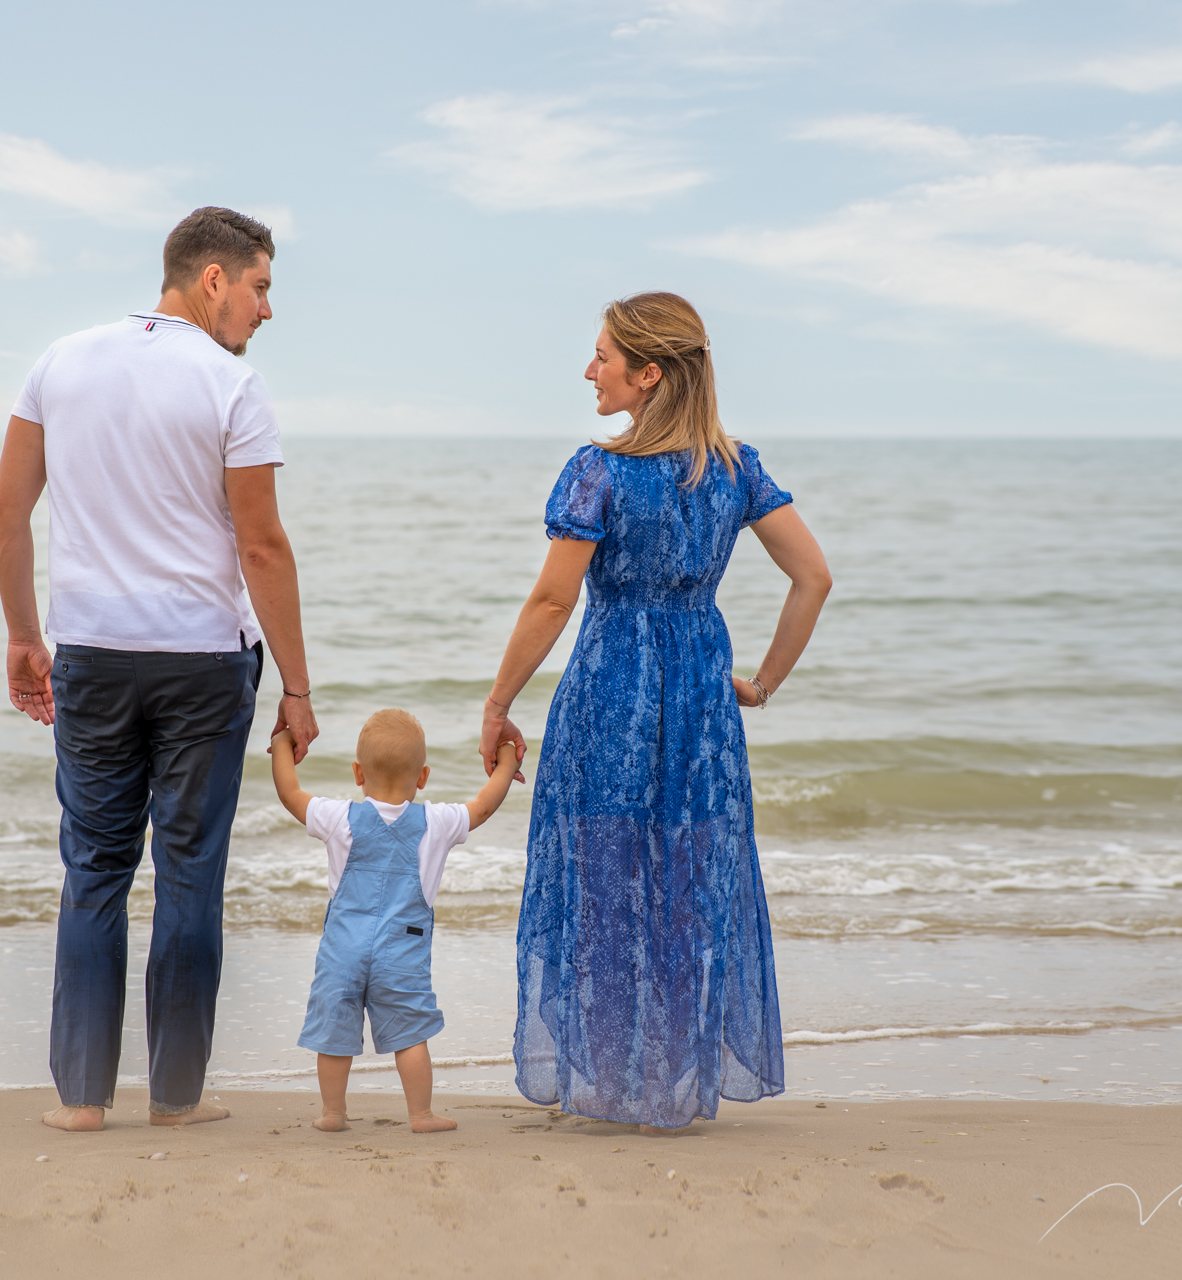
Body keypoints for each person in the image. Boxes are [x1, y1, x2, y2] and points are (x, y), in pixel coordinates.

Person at [0, 206, 320, 1133]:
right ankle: (175, 1097)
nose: (264, 311)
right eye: (259, 288)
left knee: (94, 867)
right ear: (212, 280)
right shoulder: (232, 385)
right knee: (187, 873)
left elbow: (7, 509)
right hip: (205, 664)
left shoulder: (60, 360)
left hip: (92, 654)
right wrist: (295, 686)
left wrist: (25, 636)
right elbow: (262, 545)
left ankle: (82, 1101)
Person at [479, 292, 831, 1134]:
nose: (589, 370)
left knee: (604, 881)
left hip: (610, 692)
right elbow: (813, 577)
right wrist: (764, 682)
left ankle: (608, 1084)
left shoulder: (600, 470)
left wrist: (497, 702)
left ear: (650, 373)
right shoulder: (735, 468)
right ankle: (674, 1086)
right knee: (687, 884)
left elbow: (553, 599)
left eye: (603, 356)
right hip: (701, 698)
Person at [268, 710, 521, 1134]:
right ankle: (421, 1115)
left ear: (356, 773)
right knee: (409, 1033)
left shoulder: (337, 817)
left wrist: (281, 741)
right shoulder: (436, 823)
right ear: (422, 777)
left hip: (342, 949)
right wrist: (508, 758)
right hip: (401, 951)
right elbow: (483, 805)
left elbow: (289, 791)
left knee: (334, 1031)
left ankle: (333, 1113)